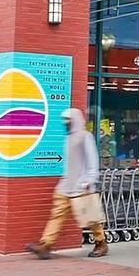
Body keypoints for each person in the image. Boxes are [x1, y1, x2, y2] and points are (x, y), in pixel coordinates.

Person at [27, 108, 106, 258]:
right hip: (66, 186)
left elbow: (92, 160)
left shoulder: (85, 136)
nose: (66, 123)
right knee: (57, 215)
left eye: (68, 120)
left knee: (90, 218)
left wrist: (89, 180)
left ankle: (101, 242)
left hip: (82, 185)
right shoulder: (68, 138)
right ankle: (46, 244)